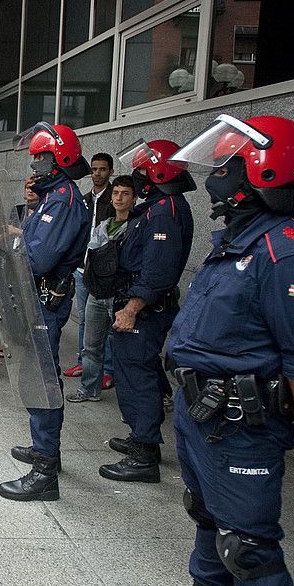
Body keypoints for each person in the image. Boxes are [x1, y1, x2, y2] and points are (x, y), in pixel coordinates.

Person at [134, 115, 294, 586]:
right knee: (205, 513)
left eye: (226, 166)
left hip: (242, 422)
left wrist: (292, 421)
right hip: (203, 414)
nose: (216, 178)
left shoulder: (289, 253)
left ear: (261, 170)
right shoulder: (240, 240)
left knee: (248, 546)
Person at [0, 123, 91, 502]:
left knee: (43, 382)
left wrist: (11, 252)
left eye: (41, 157)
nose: (34, 164)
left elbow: (39, 258)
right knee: (37, 378)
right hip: (36, 298)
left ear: (61, 159)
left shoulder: (64, 200)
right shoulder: (53, 198)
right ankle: (44, 449)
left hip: (46, 300)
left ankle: (44, 472)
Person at [100, 140, 196, 483]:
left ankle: (143, 454)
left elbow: (157, 271)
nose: (137, 178)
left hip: (143, 310)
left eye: (142, 171)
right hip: (136, 305)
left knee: (138, 378)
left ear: (158, 172)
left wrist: (131, 309)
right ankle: (144, 439)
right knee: (134, 374)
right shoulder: (157, 207)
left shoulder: (166, 211)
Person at [67, 175, 136, 403]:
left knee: (124, 348)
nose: (119, 198)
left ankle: (129, 394)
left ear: (135, 198)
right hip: (97, 292)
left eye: (125, 193)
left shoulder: (136, 227)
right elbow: (93, 255)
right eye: (116, 193)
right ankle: (89, 388)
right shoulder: (103, 226)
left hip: (121, 295)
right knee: (91, 345)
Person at [65, 152, 117, 387]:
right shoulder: (85, 199)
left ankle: (106, 369)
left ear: (110, 172)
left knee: (103, 322)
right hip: (82, 268)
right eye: (94, 169)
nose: (97, 173)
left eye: (102, 169)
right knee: (84, 319)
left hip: (103, 273)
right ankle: (83, 362)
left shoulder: (114, 199)